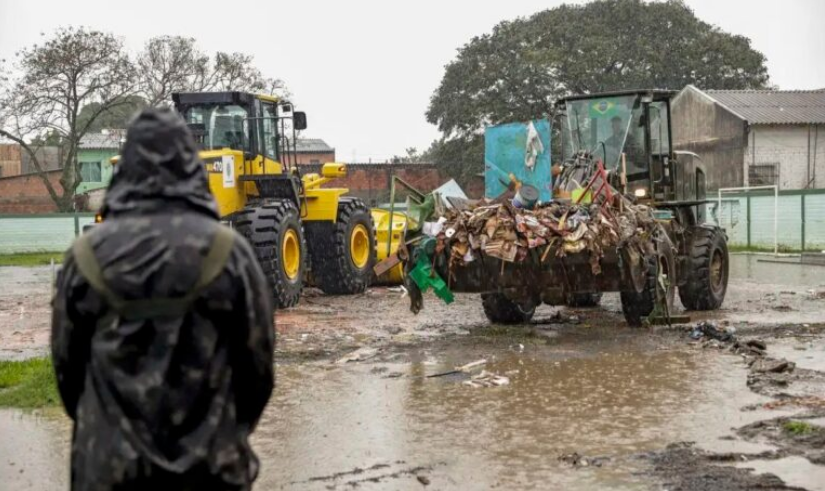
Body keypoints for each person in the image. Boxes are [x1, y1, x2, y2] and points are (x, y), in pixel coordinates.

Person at [51, 108, 275, 491]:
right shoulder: (229, 253)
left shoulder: (85, 256)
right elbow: (257, 368)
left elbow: (68, 373)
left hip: (109, 473)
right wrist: (224, 432)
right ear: (191, 165)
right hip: (210, 471)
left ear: (126, 168)